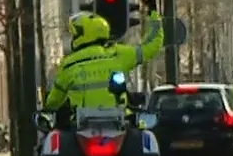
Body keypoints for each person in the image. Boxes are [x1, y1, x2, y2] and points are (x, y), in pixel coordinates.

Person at [39, 10, 167, 129]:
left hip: (81, 128)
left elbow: (54, 101)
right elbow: (151, 46)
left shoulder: (69, 65)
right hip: (120, 125)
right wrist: (154, 15)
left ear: (82, 36)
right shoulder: (118, 54)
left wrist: (47, 112)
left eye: (75, 35)